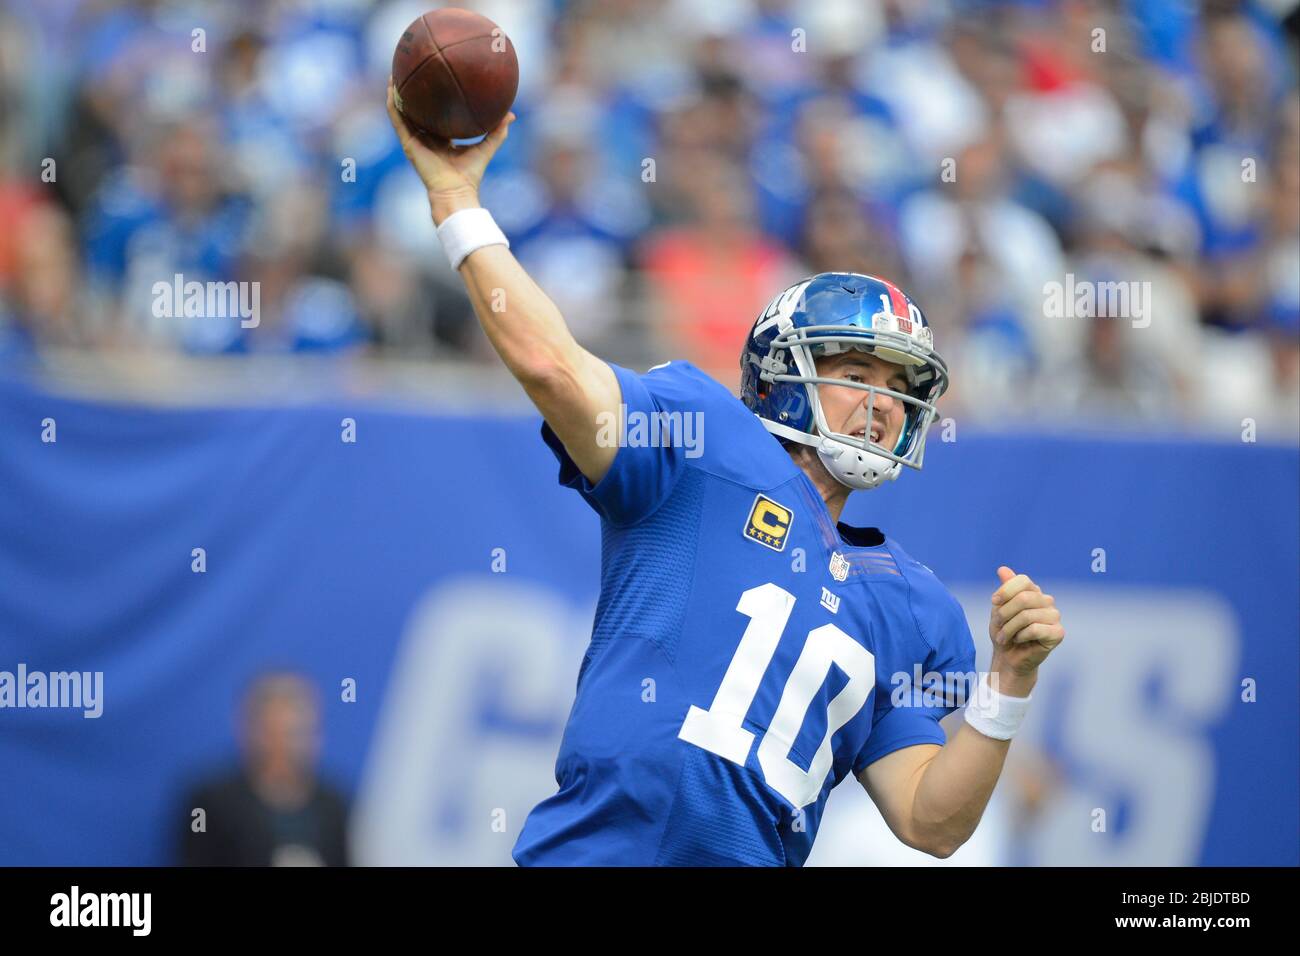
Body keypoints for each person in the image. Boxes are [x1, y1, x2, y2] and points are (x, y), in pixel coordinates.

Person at [385, 81, 1065, 866]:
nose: (881, 404)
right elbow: (551, 365)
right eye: (856, 372)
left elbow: (929, 821)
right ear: (785, 373)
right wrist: (457, 203)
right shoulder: (702, 440)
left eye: (898, 388)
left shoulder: (915, 609)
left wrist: (1009, 683)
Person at [178, 673, 349, 867]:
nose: (288, 746)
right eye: (276, 733)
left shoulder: (334, 805)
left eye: (297, 732)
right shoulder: (211, 804)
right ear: (250, 731)